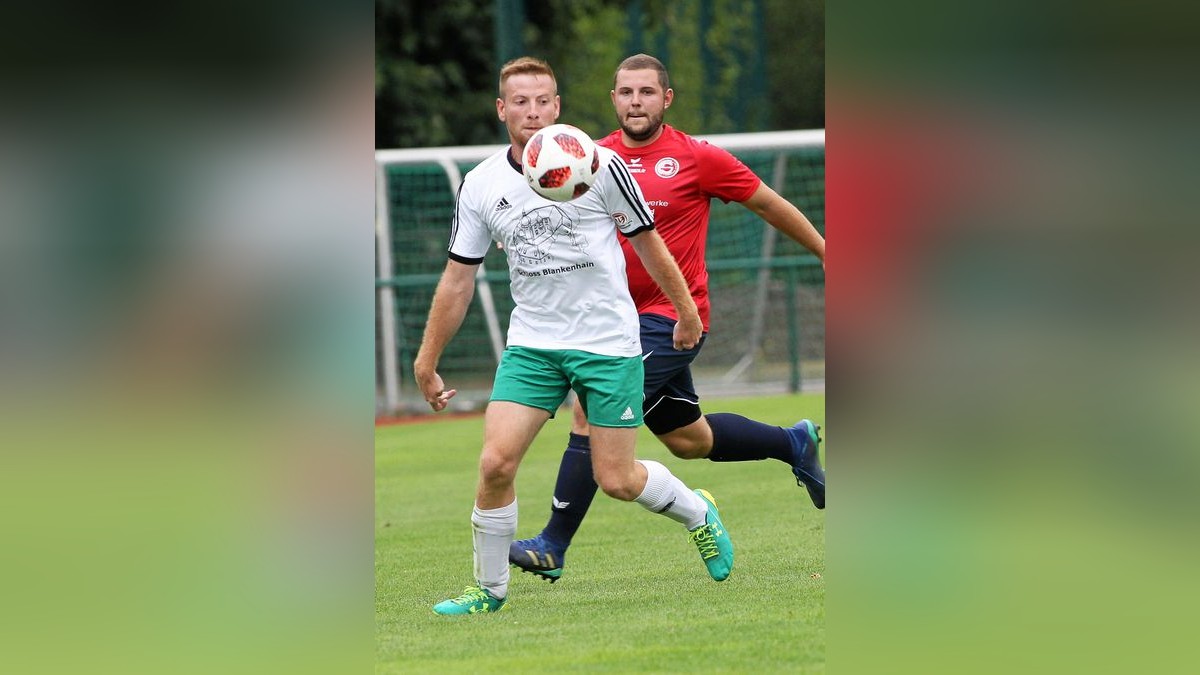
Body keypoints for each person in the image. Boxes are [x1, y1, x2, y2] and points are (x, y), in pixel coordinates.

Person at [415, 56, 735, 616]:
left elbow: (649, 244)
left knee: (617, 478)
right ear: (501, 110)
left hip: (607, 343)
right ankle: (487, 591)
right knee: (495, 464)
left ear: (557, 107)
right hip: (533, 344)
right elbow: (458, 280)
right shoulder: (481, 184)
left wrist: (686, 313)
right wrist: (427, 359)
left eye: (543, 101)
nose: (533, 112)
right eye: (520, 102)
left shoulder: (603, 164)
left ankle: (697, 513)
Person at [510, 54, 826, 583]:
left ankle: (552, 544)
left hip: (673, 319)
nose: (637, 102)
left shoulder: (696, 158)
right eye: (627, 92)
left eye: (647, 92)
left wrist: (824, 250)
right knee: (689, 440)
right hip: (609, 322)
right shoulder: (589, 158)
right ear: (613, 100)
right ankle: (792, 442)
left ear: (666, 99)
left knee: (589, 410)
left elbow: (769, 206)